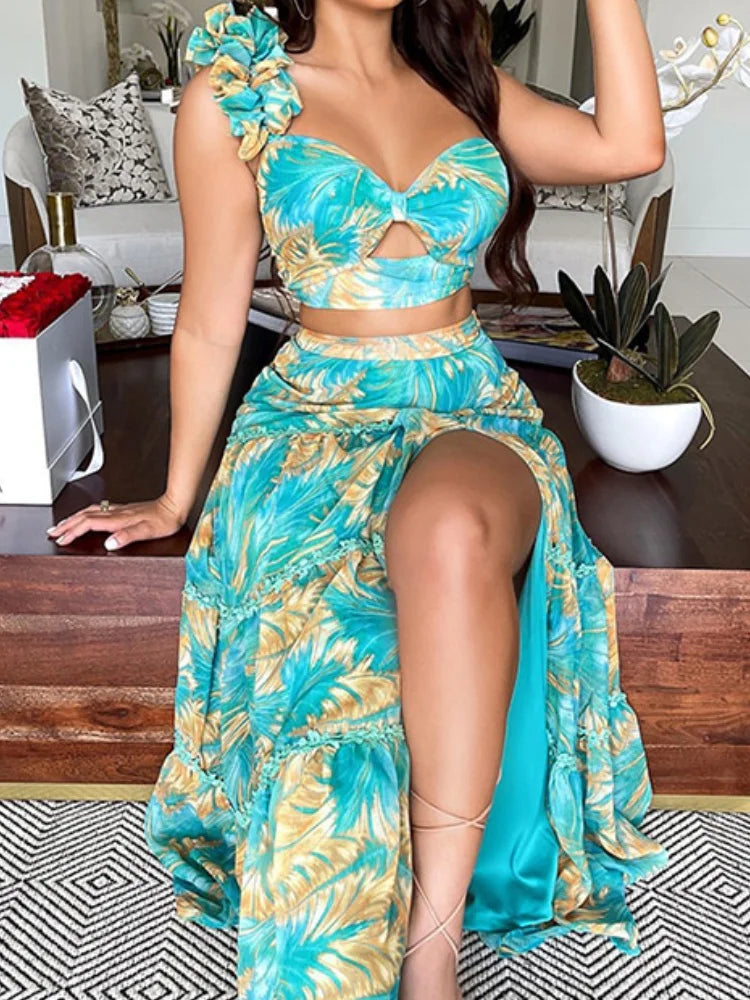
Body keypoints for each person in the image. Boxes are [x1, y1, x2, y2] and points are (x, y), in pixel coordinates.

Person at [47, 1, 670, 997]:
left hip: (468, 405)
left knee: (448, 529)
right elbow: (209, 317)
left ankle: (431, 954)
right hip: (311, 418)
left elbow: (629, 146)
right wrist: (173, 496)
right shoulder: (237, 94)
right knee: (336, 640)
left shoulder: (465, 83)